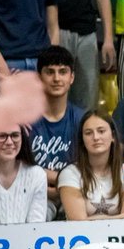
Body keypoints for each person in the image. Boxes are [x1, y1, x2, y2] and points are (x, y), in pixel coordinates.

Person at [30, 46, 86, 217]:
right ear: (39, 78)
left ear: (72, 77)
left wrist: (64, 185)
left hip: (77, 192)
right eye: (50, 72)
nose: (56, 78)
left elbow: (91, 168)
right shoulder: (25, 120)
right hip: (34, 193)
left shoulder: (83, 119)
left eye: (63, 72)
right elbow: (18, 167)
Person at [58, 111, 124, 221]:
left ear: (113, 136)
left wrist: (92, 218)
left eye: (101, 131)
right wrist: (122, 216)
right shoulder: (69, 174)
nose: (95, 137)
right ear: (82, 140)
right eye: (88, 133)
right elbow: (78, 223)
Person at [0, 126, 47, 225]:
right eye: (2, 136)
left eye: (15, 135)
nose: (9, 142)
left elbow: (36, 227)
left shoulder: (36, 175)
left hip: (27, 239)